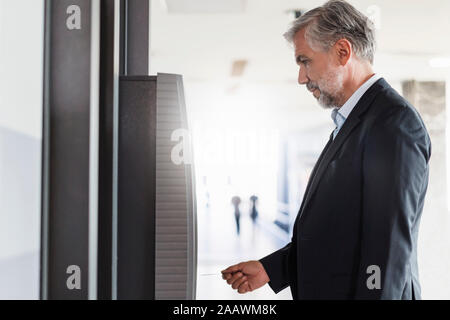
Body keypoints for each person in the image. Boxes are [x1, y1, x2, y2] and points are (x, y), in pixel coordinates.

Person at [221, 0, 431, 300]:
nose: (301, 78)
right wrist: (272, 269)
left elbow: (387, 249)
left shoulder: (392, 122)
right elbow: (338, 232)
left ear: (342, 51)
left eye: (305, 61)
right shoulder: (351, 122)